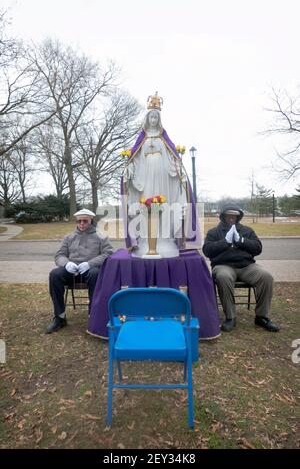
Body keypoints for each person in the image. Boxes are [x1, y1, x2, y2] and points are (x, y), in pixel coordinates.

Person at [121, 93, 200, 257]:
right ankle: (146, 240)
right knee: (147, 204)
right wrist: (129, 170)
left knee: (165, 203)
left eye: (156, 117)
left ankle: (165, 238)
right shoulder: (141, 139)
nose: (153, 120)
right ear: (147, 118)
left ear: (159, 119)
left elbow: (172, 158)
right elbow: (134, 160)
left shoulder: (164, 138)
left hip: (163, 176)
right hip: (146, 175)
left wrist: (179, 170)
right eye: (151, 117)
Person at [202, 203, 280, 332]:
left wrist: (241, 240)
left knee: (266, 277)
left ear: (239, 217)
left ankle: (262, 316)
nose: (231, 219)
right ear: (223, 216)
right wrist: (225, 242)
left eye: (234, 216)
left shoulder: (246, 231)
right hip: (223, 265)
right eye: (229, 216)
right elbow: (207, 251)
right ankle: (230, 317)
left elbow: (257, 248)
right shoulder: (214, 232)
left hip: (246, 266)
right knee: (223, 276)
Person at [46, 209, 113, 334]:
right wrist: (66, 263)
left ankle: (93, 315)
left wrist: (90, 263)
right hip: (71, 270)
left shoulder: (101, 236)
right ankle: (59, 317)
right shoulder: (69, 237)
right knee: (54, 274)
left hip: (89, 270)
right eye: (79, 221)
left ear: (91, 221)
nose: (81, 224)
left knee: (95, 274)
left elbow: (108, 254)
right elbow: (60, 255)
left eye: (85, 221)